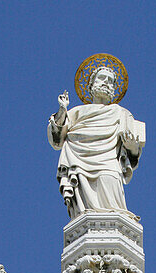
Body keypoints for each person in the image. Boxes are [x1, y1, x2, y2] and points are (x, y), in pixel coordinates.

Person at [48, 66, 145, 218]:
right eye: (101, 78)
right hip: (78, 160)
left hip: (109, 161)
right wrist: (62, 110)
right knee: (85, 210)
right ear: (91, 85)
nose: (106, 82)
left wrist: (132, 148)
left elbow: (133, 150)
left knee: (111, 195)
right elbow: (57, 140)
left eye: (110, 81)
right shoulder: (76, 112)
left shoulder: (122, 114)